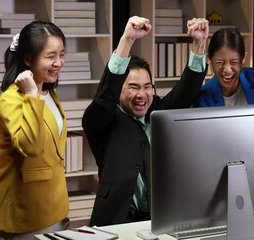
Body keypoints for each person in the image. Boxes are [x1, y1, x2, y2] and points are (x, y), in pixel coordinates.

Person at [82, 16, 209, 226]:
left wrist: (199, 44)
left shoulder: (159, 110)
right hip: (116, 221)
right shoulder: (102, 119)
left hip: (160, 219)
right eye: (133, 87)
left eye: (147, 86)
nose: (142, 94)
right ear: (118, 90)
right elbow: (105, 96)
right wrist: (127, 40)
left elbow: (187, 91)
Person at [0, 21, 69, 239]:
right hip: (26, 212)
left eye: (62, 54)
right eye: (50, 56)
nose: (58, 63)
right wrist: (32, 96)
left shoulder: (49, 92)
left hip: (54, 207)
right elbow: (30, 147)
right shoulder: (11, 98)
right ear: (27, 59)